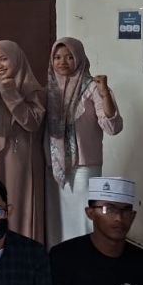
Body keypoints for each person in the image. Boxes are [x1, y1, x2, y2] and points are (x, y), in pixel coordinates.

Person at [46, 37, 124, 246]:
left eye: (69, 57)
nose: (62, 62)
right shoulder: (49, 91)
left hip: (84, 166)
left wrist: (105, 94)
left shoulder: (94, 87)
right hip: (54, 167)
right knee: (57, 220)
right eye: (57, 57)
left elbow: (113, 127)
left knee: (83, 217)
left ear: (79, 57)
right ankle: (59, 258)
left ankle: (85, 257)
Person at [0, 40, 47, 242]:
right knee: (1, 204)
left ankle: (25, 247)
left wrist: (11, 93)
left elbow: (32, 123)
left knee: (20, 203)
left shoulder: (33, 90)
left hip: (22, 158)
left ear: (16, 59)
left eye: (3, 59)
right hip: (1, 157)